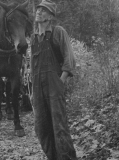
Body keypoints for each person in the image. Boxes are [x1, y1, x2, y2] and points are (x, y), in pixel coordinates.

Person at [30, 0, 77, 159]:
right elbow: (32, 66)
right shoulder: (34, 37)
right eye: (38, 9)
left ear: (50, 17)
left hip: (54, 87)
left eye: (44, 11)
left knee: (59, 128)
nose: (39, 12)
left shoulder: (58, 32)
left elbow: (69, 60)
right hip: (38, 89)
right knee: (41, 127)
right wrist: (32, 90)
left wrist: (59, 83)